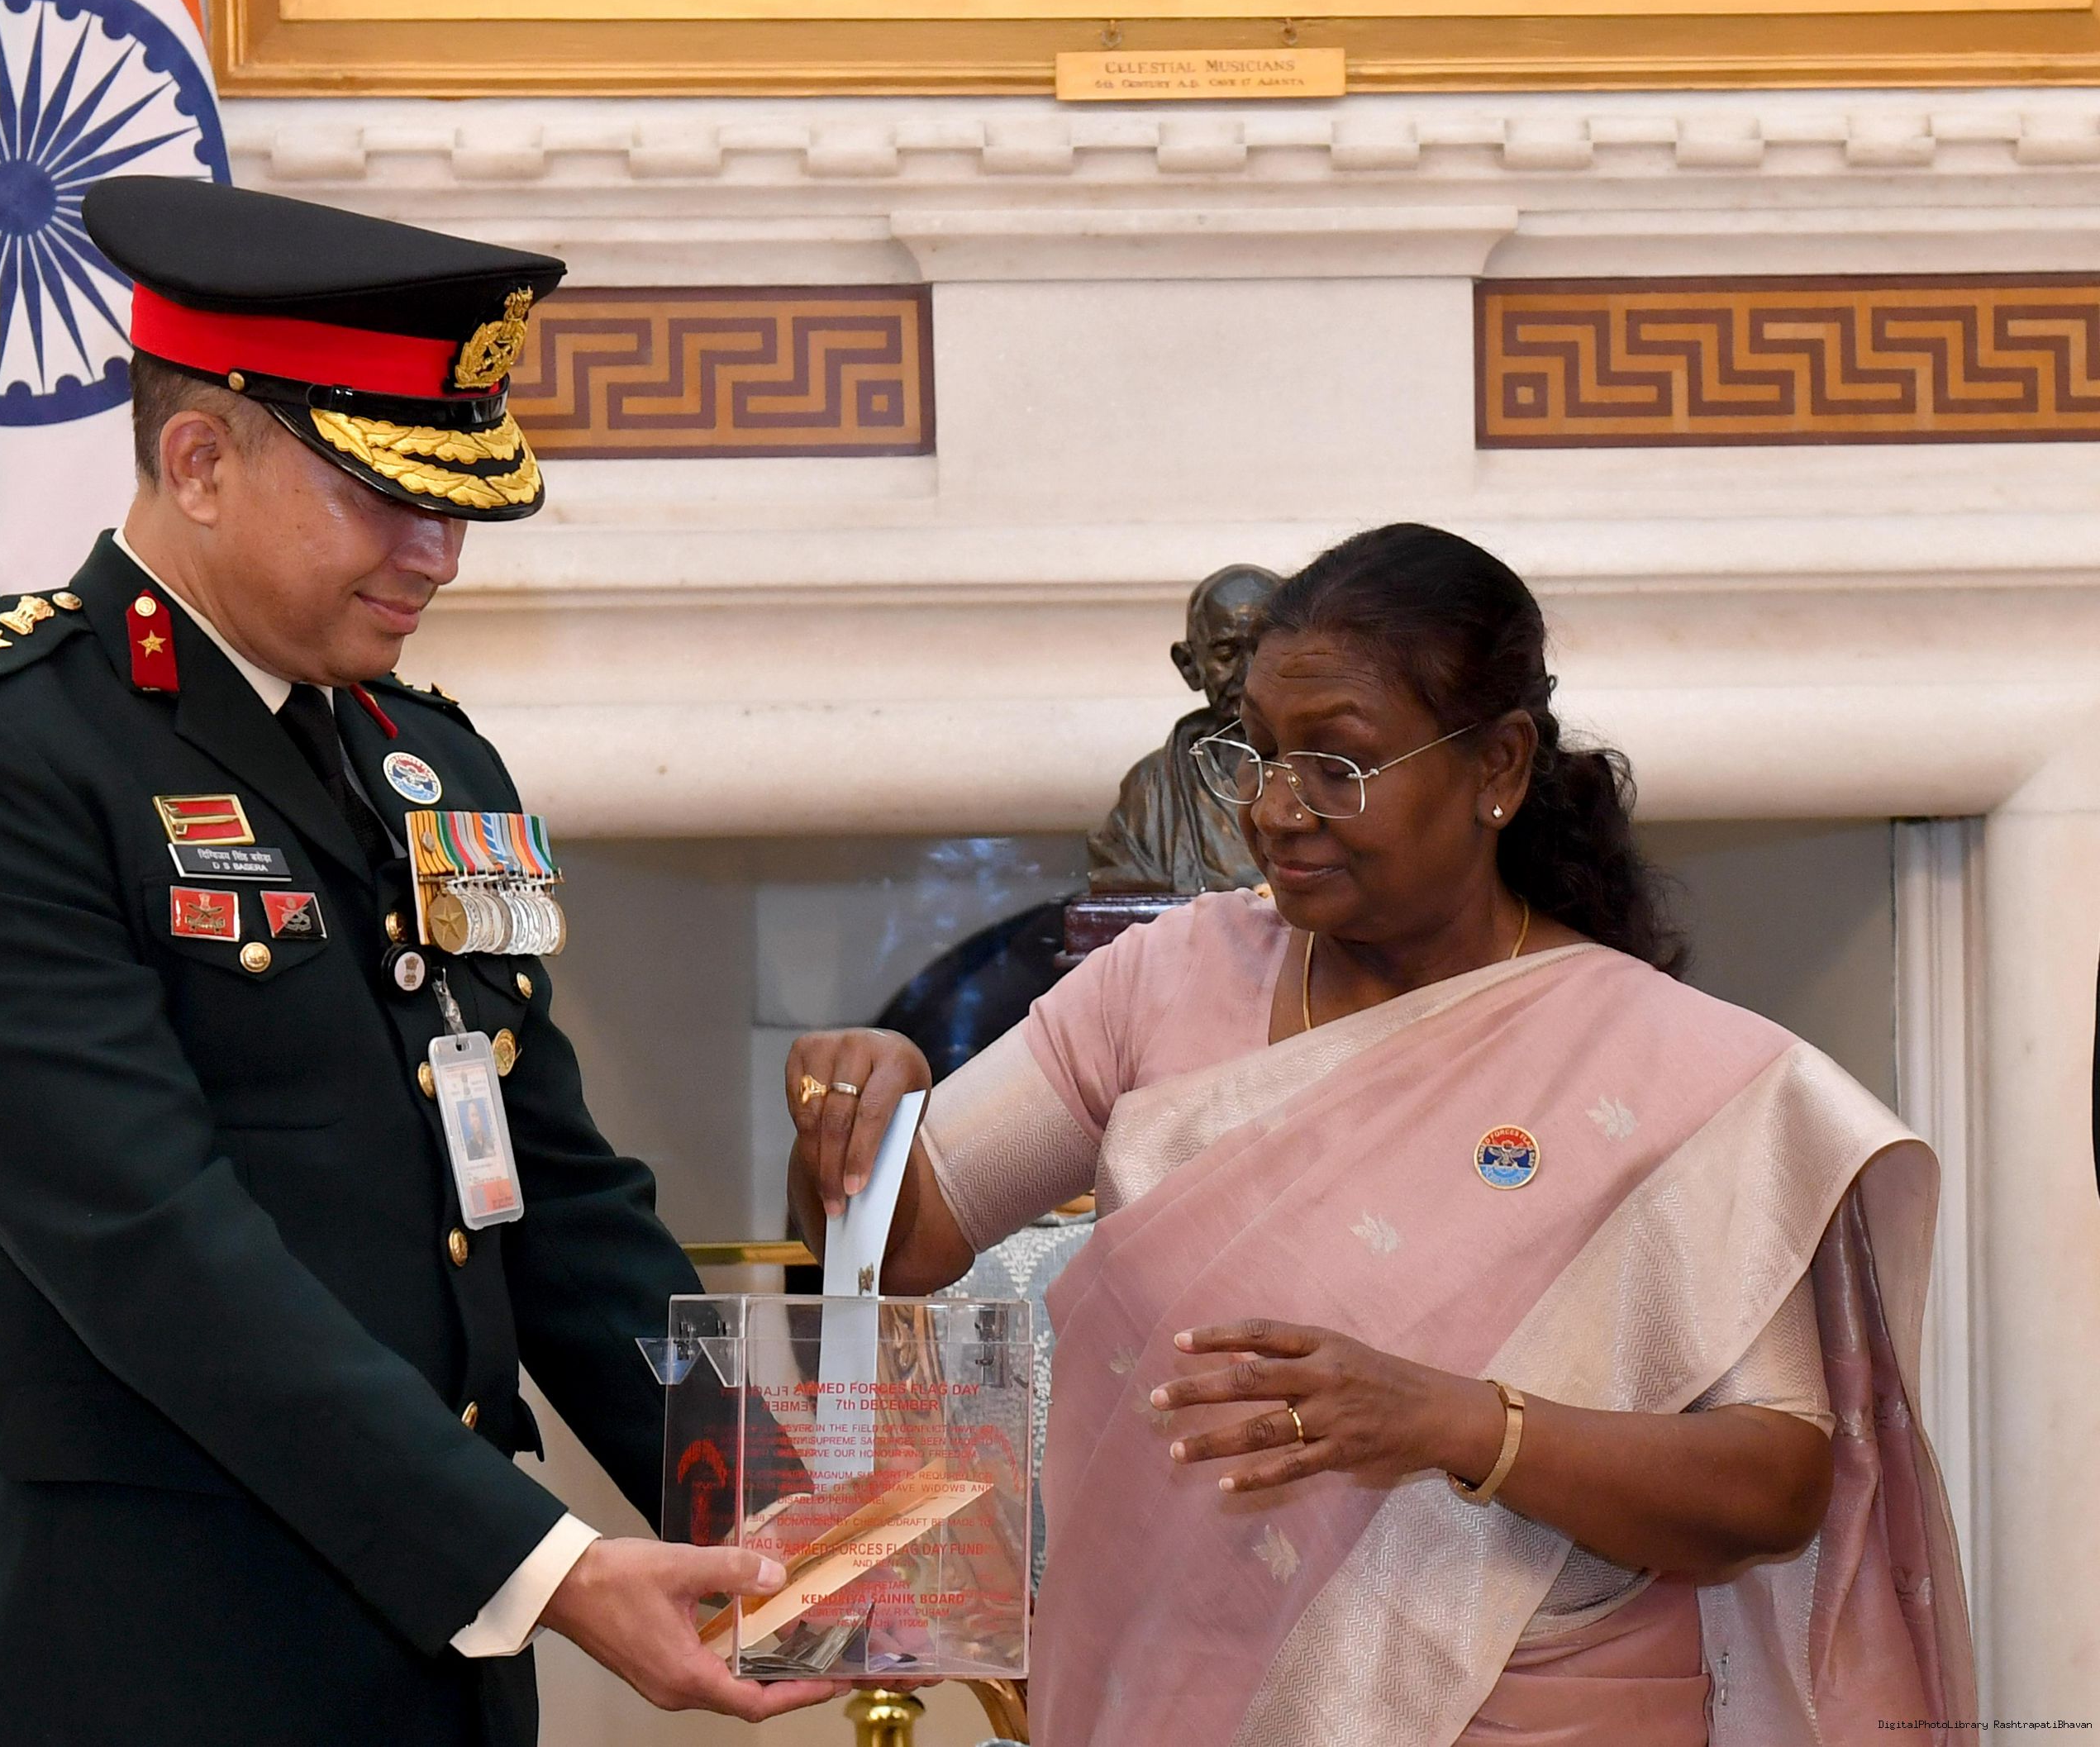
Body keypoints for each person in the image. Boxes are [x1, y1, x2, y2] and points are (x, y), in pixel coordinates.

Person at [0, 179, 834, 1747]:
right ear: (198, 461)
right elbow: (154, 1247)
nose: (440, 553)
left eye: (459, 503)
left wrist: (799, 1522)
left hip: (445, 1675)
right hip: (158, 1671)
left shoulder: (426, 761)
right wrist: (551, 1568)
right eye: (386, 496)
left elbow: (556, 1202)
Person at [788, 525, 1972, 1744]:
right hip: (1179, 1693)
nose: (1275, 809)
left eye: (1338, 766)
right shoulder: (1163, 980)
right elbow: (896, 1240)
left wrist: (1462, 1423)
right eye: (1257, 753)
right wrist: (856, 1108)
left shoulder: (1671, 1068)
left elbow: (1774, 1479)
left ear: (1497, 765)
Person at [1083, 564, 1279, 896]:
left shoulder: (1335, 770)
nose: (1250, 675)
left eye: (1265, 652)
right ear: (1189, 665)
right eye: (1227, 654)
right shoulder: (1151, 790)